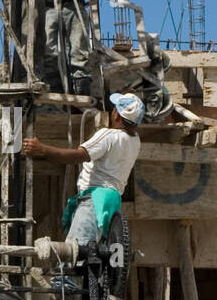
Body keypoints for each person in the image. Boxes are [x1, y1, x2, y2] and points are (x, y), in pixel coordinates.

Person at [22, 91, 144, 248]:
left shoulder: (108, 136)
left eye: (113, 108)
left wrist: (42, 149)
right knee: (93, 252)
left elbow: (78, 156)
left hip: (95, 199)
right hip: (112, 201)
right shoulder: (135, 141)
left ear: (116, 115)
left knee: (76, 252)